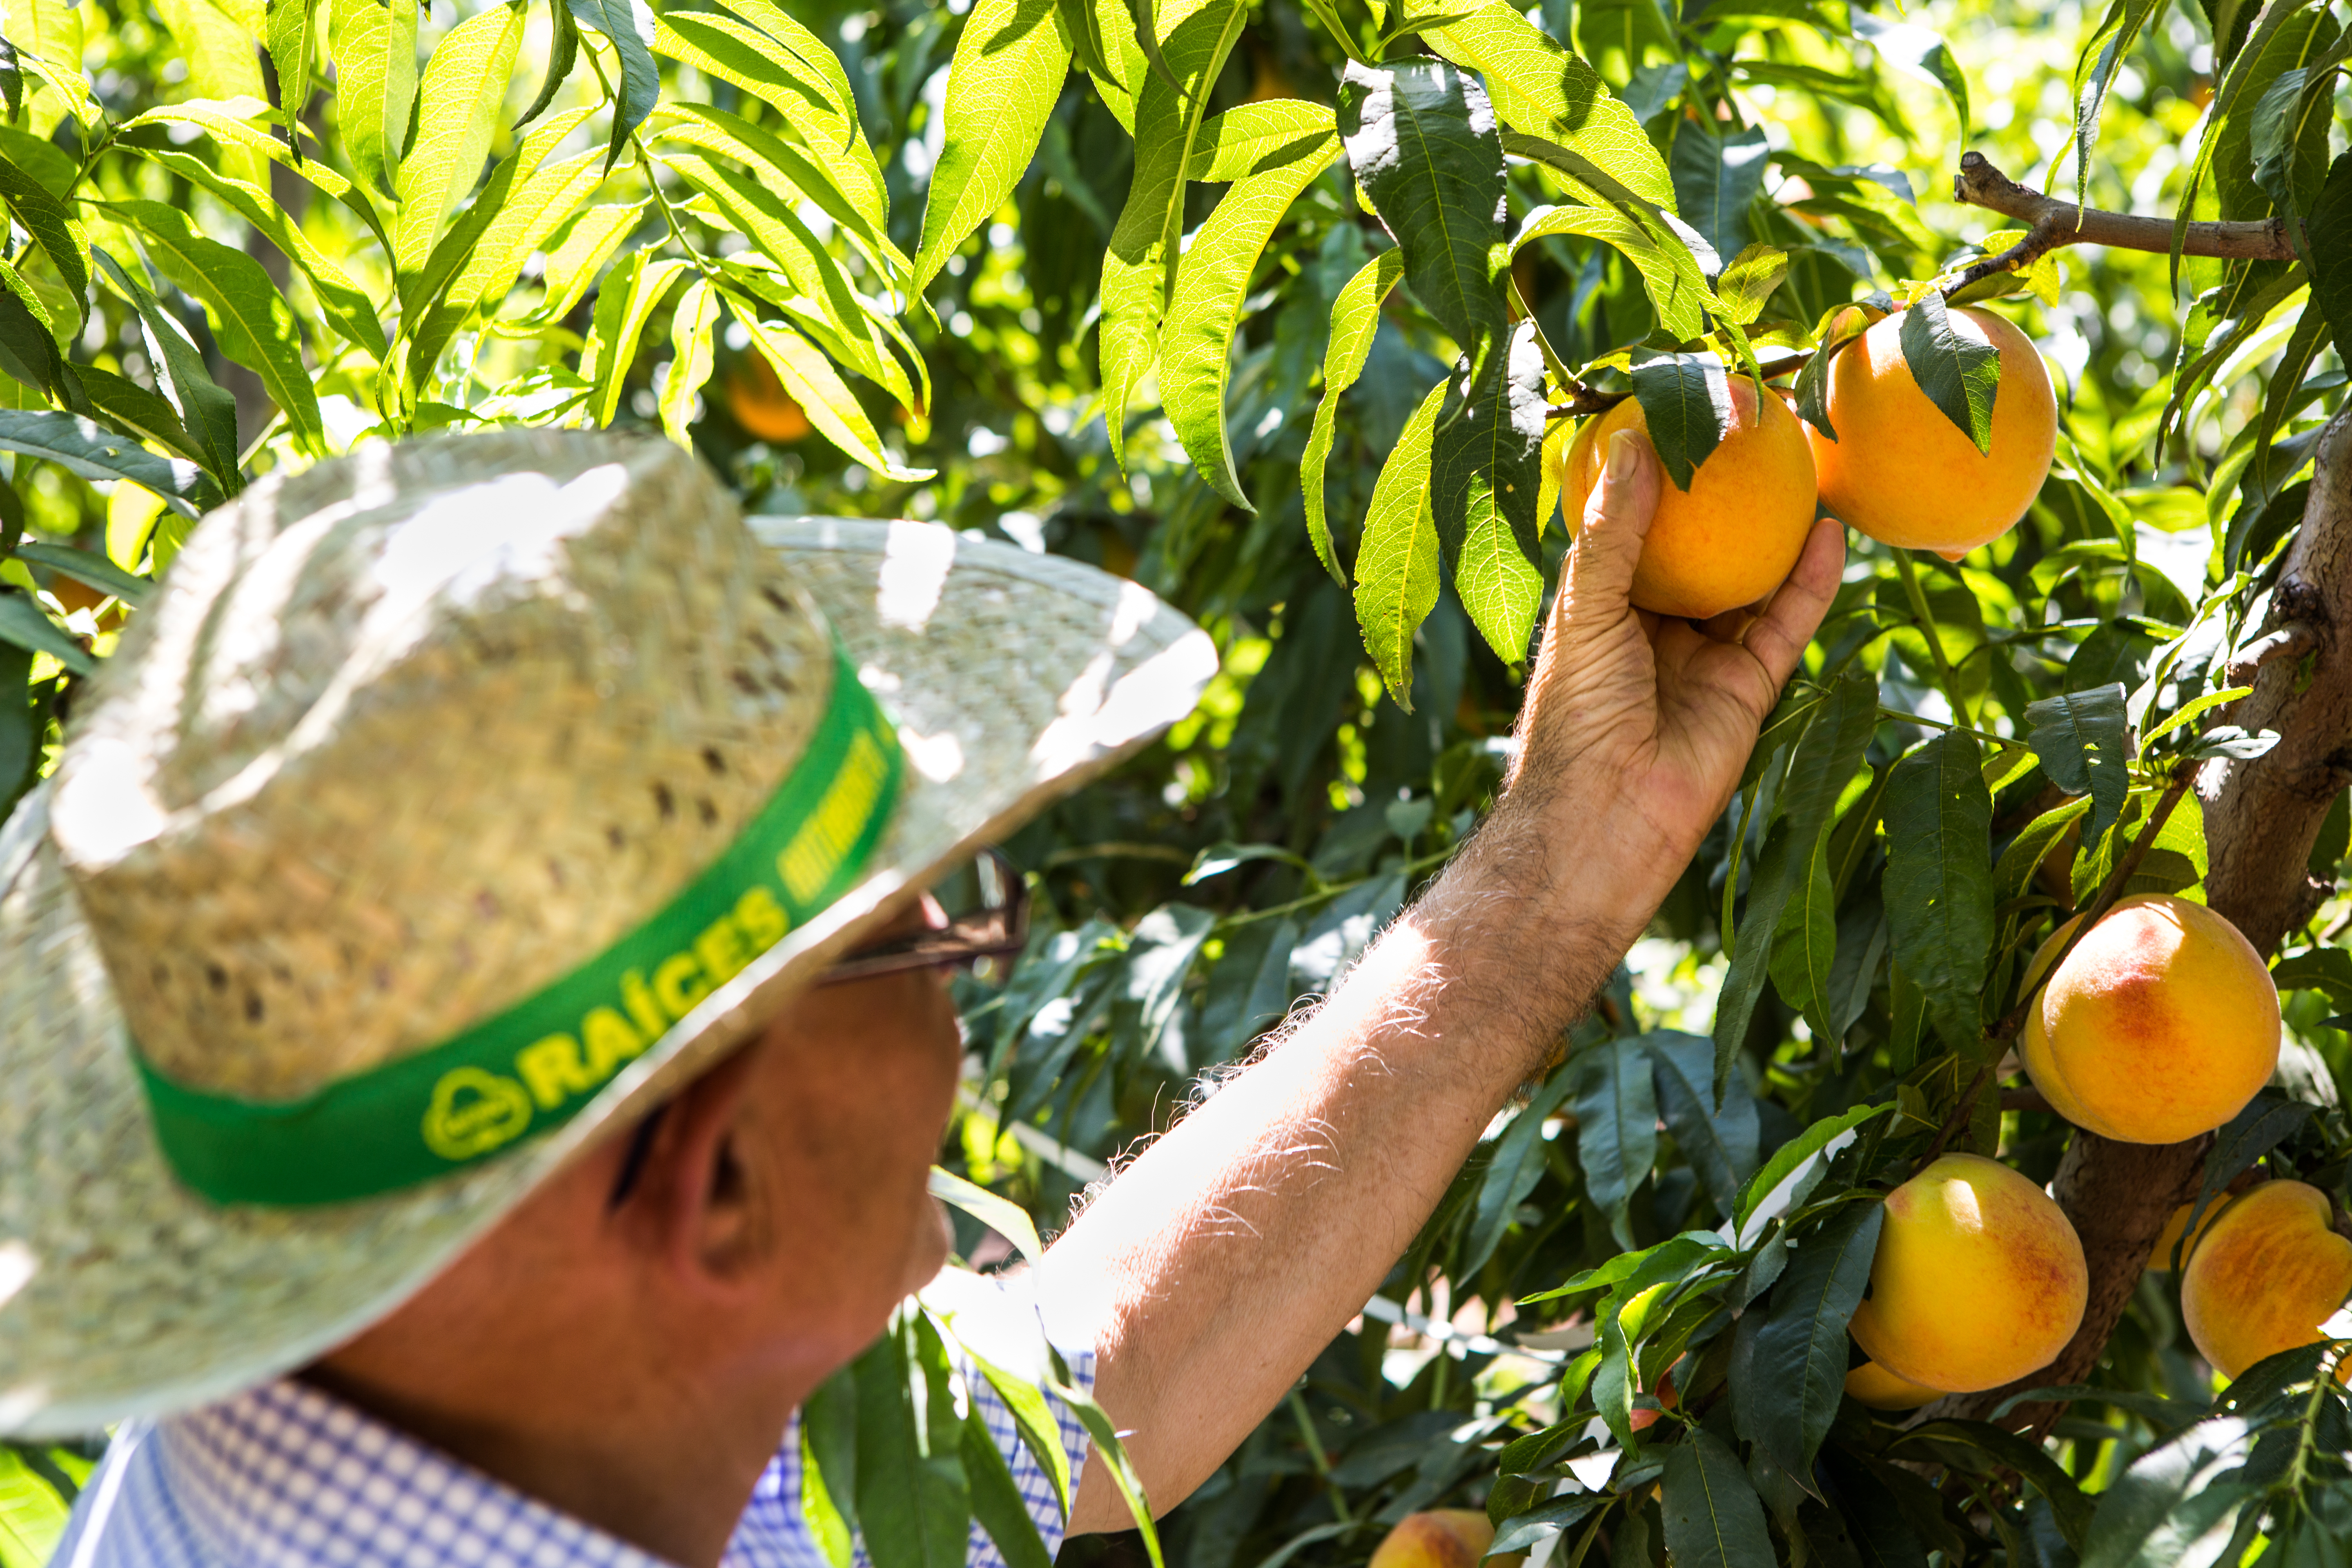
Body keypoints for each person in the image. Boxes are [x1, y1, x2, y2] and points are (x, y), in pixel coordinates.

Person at [0, 425, 1842, 1567]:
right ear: (716, 1190)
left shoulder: (470, 1381)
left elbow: (1081, 1386)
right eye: (932, 930)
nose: (967, 1001)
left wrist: (1555, 871)